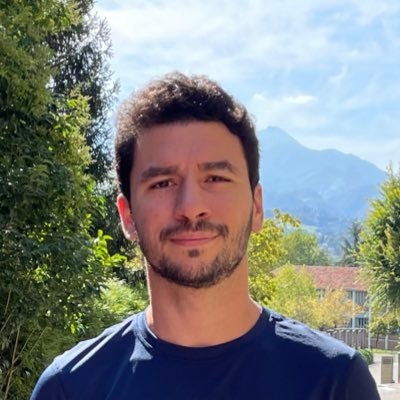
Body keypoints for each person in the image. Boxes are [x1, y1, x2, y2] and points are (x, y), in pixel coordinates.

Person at [31, 72, 379, 399]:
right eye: (162, 183)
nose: (191, 206)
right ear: (128, 216)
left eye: (215, 178)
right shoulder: (70, 388)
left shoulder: (334, 381)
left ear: (257, 207)